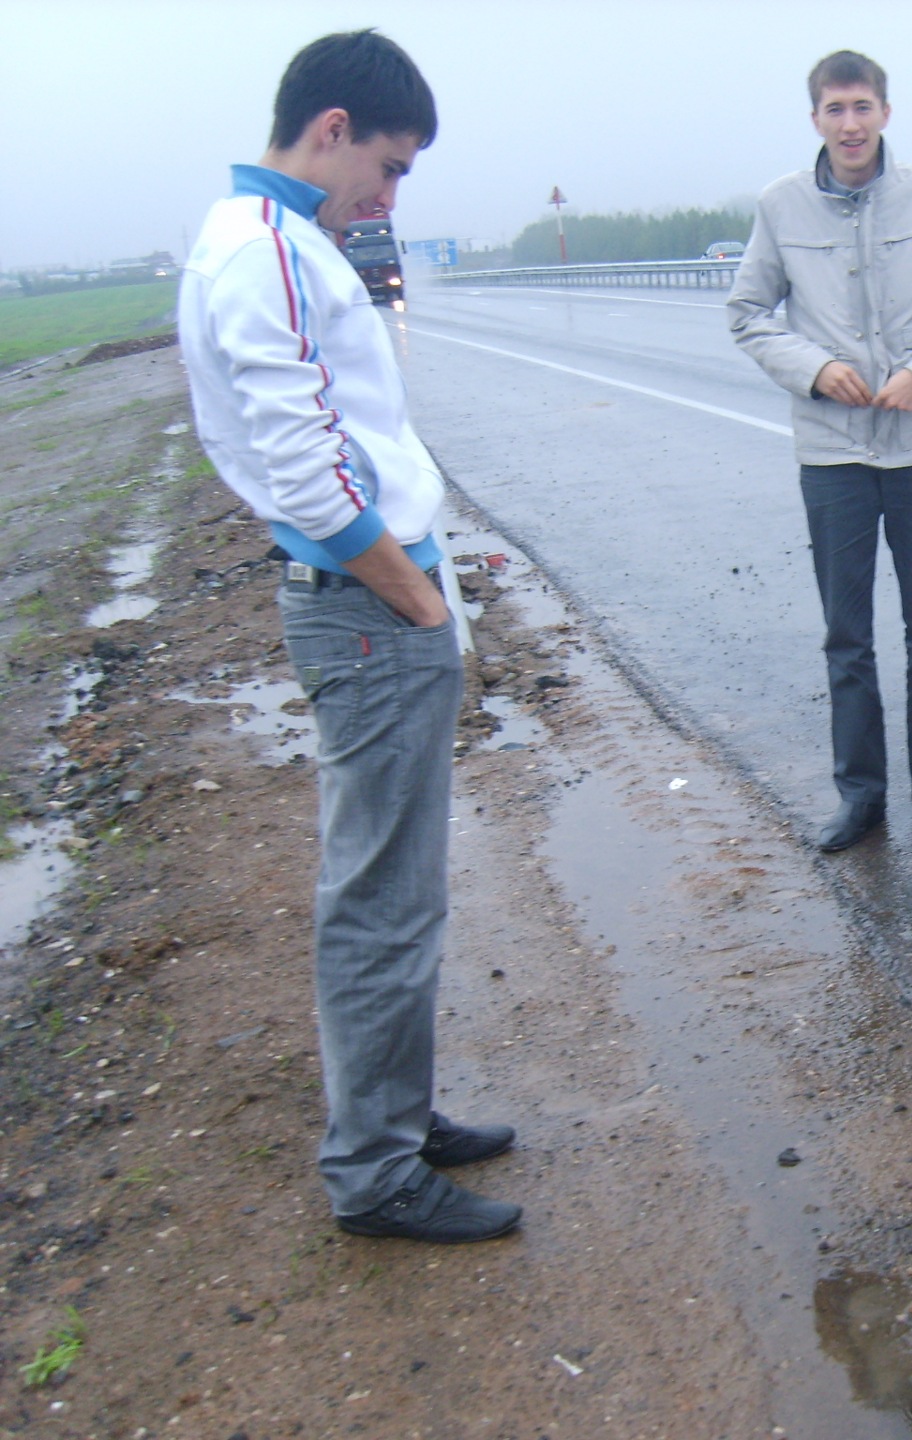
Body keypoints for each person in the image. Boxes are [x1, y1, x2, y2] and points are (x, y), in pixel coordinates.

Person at [178, 30, 520, 1243]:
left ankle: (398, 1115)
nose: (389, 194)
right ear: (332, 129)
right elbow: (312, 480)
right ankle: (376, 1172)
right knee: (382, 900)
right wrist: (418, 598)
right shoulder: (267, 251)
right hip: (370, 616)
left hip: (369, 611)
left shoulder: (267, 240)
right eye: (389, 165)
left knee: (398, 886)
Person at [728, 49, 912, 852]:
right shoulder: (780, 208)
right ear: (814, 118)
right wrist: (815, 370)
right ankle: (861, 797)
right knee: (847, 635)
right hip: (833, 455)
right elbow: (748, 313)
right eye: (833, 110)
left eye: (861, 107)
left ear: (885, 111)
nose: (849, 124)